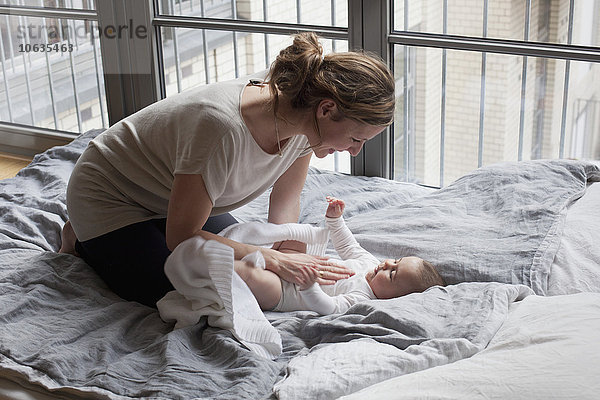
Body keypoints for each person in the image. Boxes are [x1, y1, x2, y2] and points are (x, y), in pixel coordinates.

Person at [58, 32, 396, 307]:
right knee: (191, 293)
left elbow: (285, 204)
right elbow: (183, 237)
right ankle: (83, 240)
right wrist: (273, 260)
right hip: (109, 196)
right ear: (327, 108)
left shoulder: (303, 118)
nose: (354, 152)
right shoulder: (222, 130)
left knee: (245, 268)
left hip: (166, 197)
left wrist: (287, 255)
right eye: (356, 138)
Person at [234, 197, 447, 315]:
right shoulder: (369, 262)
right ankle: (243, 242)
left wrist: (309, 288)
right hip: (296, 260)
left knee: (252, 275)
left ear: (392, 299)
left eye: (392, 274)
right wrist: (336, 221)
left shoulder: (362, 299)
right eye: (396, 261)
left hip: (286, 292)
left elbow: (329, 307)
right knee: (296, 233)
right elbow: (347, 245)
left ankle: (213, 259)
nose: (387, 264)